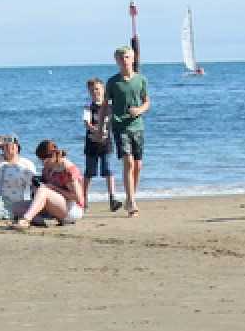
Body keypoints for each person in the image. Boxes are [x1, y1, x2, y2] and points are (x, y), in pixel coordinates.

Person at [102, 46, 149, 216]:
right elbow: (105, 106)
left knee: (138, 165)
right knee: (128, 162)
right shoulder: (113, 82)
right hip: (120, 126)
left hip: (137, 126)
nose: (125, 61)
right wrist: (101, 128)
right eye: (121, 58)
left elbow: (146, 102)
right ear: (117, 61)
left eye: (127, 57)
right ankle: (132, 201)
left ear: (133, 58)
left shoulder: (141, 79)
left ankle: (131, 197)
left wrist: (139, 110)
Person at [12, 140, 86, 228]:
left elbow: (78, 198)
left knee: (44, 190)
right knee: (15, 207)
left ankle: (26, 220)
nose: (43, 163)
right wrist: (35, 187)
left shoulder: (67, 169)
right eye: (41, 160)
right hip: (54, 206)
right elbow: (44, 189)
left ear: (53, 156)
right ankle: (41, 221)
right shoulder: (47, 169)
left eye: (45, 160)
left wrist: (53, 188)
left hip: (72, 209)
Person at [82, 77, 117, 210]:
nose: (95, 92)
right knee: (89, 172)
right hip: (92, 142)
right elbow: (86, 122)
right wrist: (95, 129)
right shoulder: (88, 107)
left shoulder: (109, 106)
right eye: (92, 90)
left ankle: (112, 197)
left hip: (106, 142)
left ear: (103, 90)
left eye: (97, 89)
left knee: (108, 169)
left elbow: (113, 120)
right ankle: (84, 198)